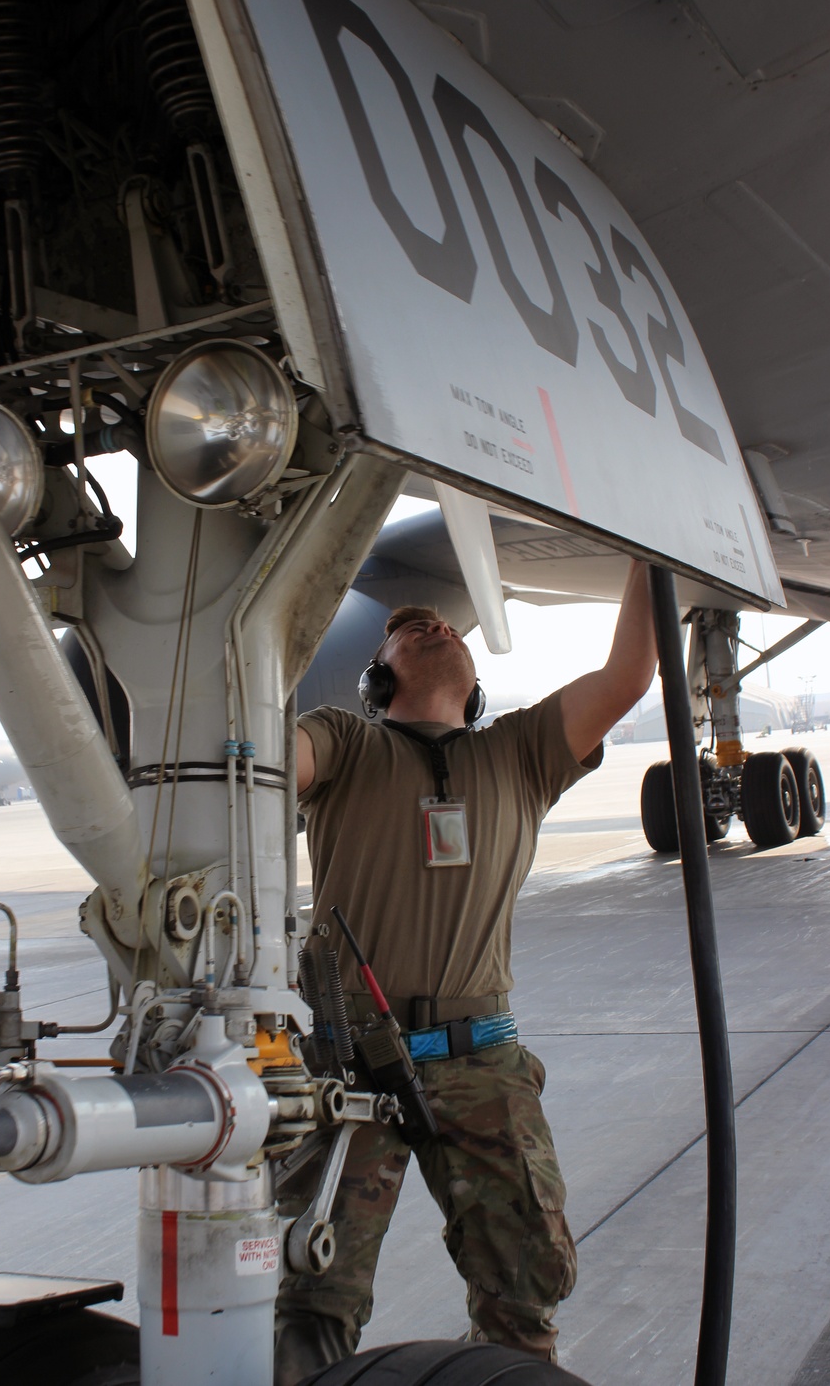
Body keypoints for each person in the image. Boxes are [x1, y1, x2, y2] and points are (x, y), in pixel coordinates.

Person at [274, 560, 658, 1385]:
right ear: (378, 677)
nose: (434, 627)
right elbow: (276, 763)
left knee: (524, 1289)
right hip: (352, 1064)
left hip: (483, 1058)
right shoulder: (346, 742)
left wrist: (642, 550)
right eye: (410, 631)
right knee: (314, 1295)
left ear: (476, 679)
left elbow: (629, 675)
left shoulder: (521, 753)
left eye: (444, 626)